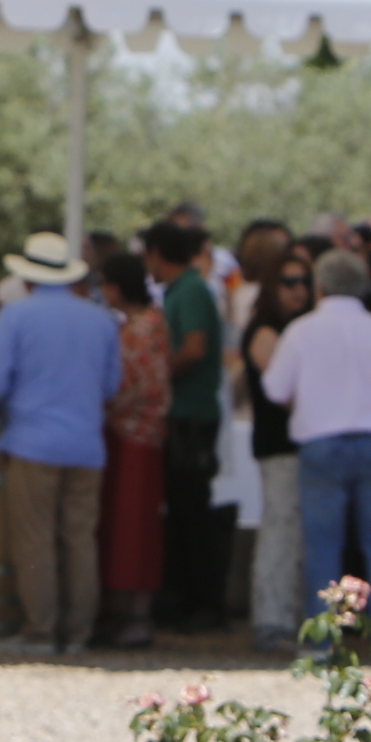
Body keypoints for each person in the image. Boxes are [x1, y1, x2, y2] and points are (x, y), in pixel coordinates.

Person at [0, 231, 121, 656]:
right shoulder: (100, 319)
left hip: (32, 442)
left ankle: (41, 630)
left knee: (34, 539)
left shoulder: (16, 317)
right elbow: (111, 385)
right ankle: (77, 633)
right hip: (87, 445)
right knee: (79, 539)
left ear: (27, 276)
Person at [264, 247, 371, 616]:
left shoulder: (300, 332)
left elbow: (275, 389)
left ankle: (323, 644)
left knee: (322, 548)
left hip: (321, 443)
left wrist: (308, 403)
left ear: (319, 286)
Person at [145, 219, 232, 633]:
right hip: (185, 413)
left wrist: (158, 375)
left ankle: (205, 601)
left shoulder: (192, 291)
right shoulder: (184, 291)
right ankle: (188, 598)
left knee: (192, 511)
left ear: (157, 255)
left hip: (191, 416)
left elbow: (194, 348)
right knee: (183, 511)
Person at [237, 249, 317, 651]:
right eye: (288, 282)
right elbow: (283, 391)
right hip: (279, 443)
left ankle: (293, 616)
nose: (298, 291)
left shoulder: (302, 330)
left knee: (296, 531)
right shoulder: (265, 331)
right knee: (280, 530)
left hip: (302, 443)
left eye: (304, 282)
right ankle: (271, 618)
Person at [95, 249, 173, 649]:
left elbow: (130, 386)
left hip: (130, 436)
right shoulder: (155, 324)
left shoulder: (135, 333)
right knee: (138, 527)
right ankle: (133, 610)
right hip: (148, 435)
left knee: (128, 529)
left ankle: (130, 612)